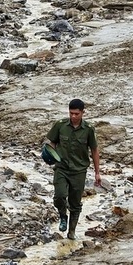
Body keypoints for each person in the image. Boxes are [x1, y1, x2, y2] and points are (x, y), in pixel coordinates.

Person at [45, 98, 101, 241]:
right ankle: (63, 216)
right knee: (59, 196)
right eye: (71, 113)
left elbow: (94, 150)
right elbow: (52, 142)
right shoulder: (60, 125)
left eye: (76, 114)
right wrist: (49, 153)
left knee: (75, 204)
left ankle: (71, 231)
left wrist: (97, 172)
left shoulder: (88, 129)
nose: (73, 117)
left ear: (83, 113)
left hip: (79, 171)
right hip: (61, 168)